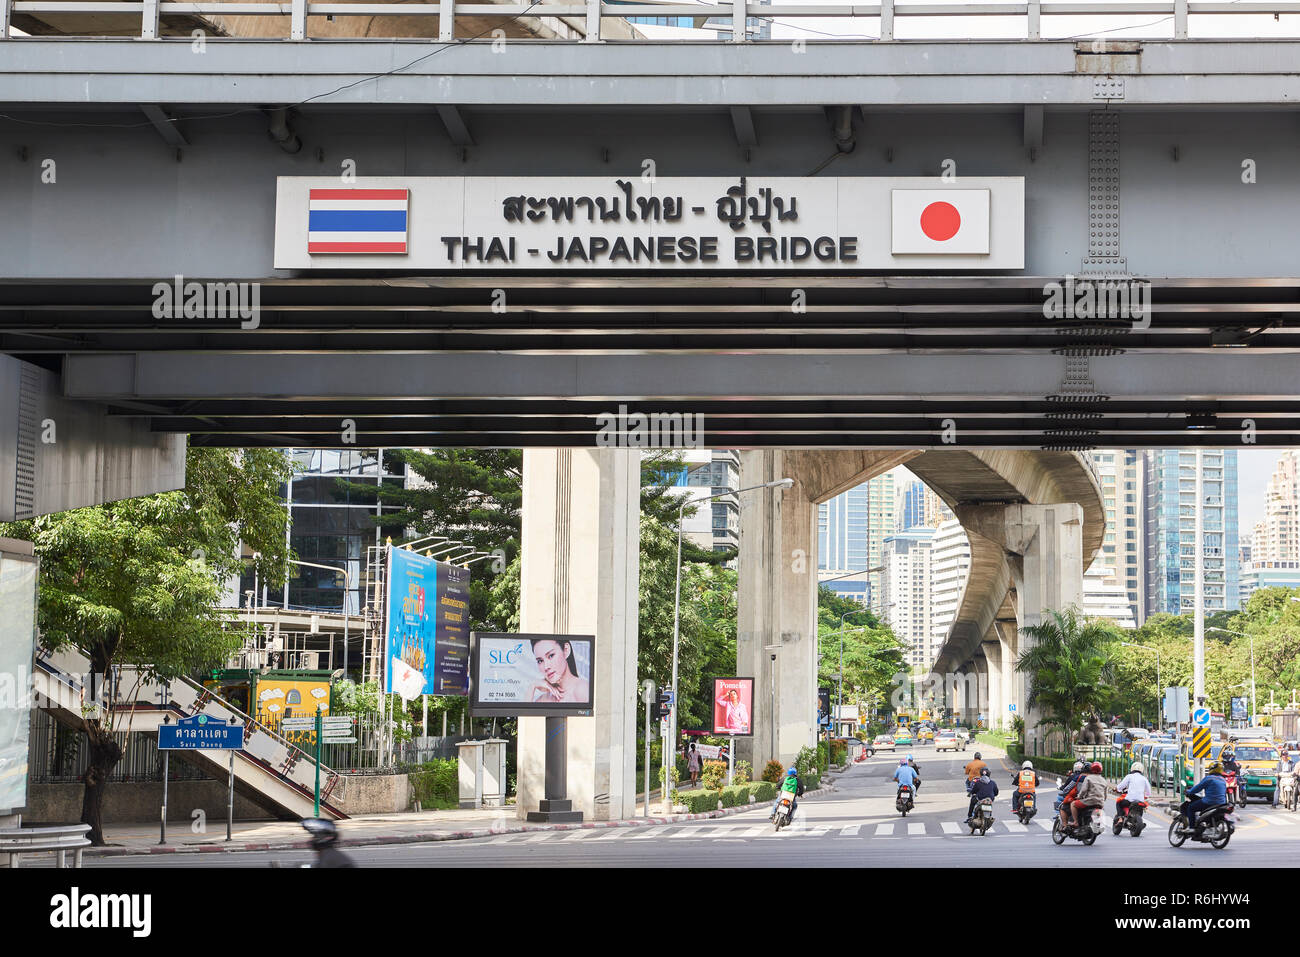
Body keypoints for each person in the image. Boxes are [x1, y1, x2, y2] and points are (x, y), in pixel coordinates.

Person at [529, 638, 590, 703]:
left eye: (551, 656)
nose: (546, 667)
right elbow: (525, 712)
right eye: (540, 661)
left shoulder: (582, 690)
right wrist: (532, 686)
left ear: (566, 650)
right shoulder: (543, 699)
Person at [1180, 761, 1228, 832]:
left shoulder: (1209, 778)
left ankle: (1192, 828)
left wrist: (1188, 791)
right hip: (1221, 803)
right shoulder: (1223, 780)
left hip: (1209, 802)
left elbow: (1197, 788)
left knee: (1190, 808)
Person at [1068, 761, 1107, 828]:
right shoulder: (1104, 780)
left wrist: (1079, 797)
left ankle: (1076, 822)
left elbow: (1083, 790)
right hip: (1100, 803)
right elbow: (1105, 795)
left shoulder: (1089, 778)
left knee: (1073, 804)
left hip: (1089, 801)